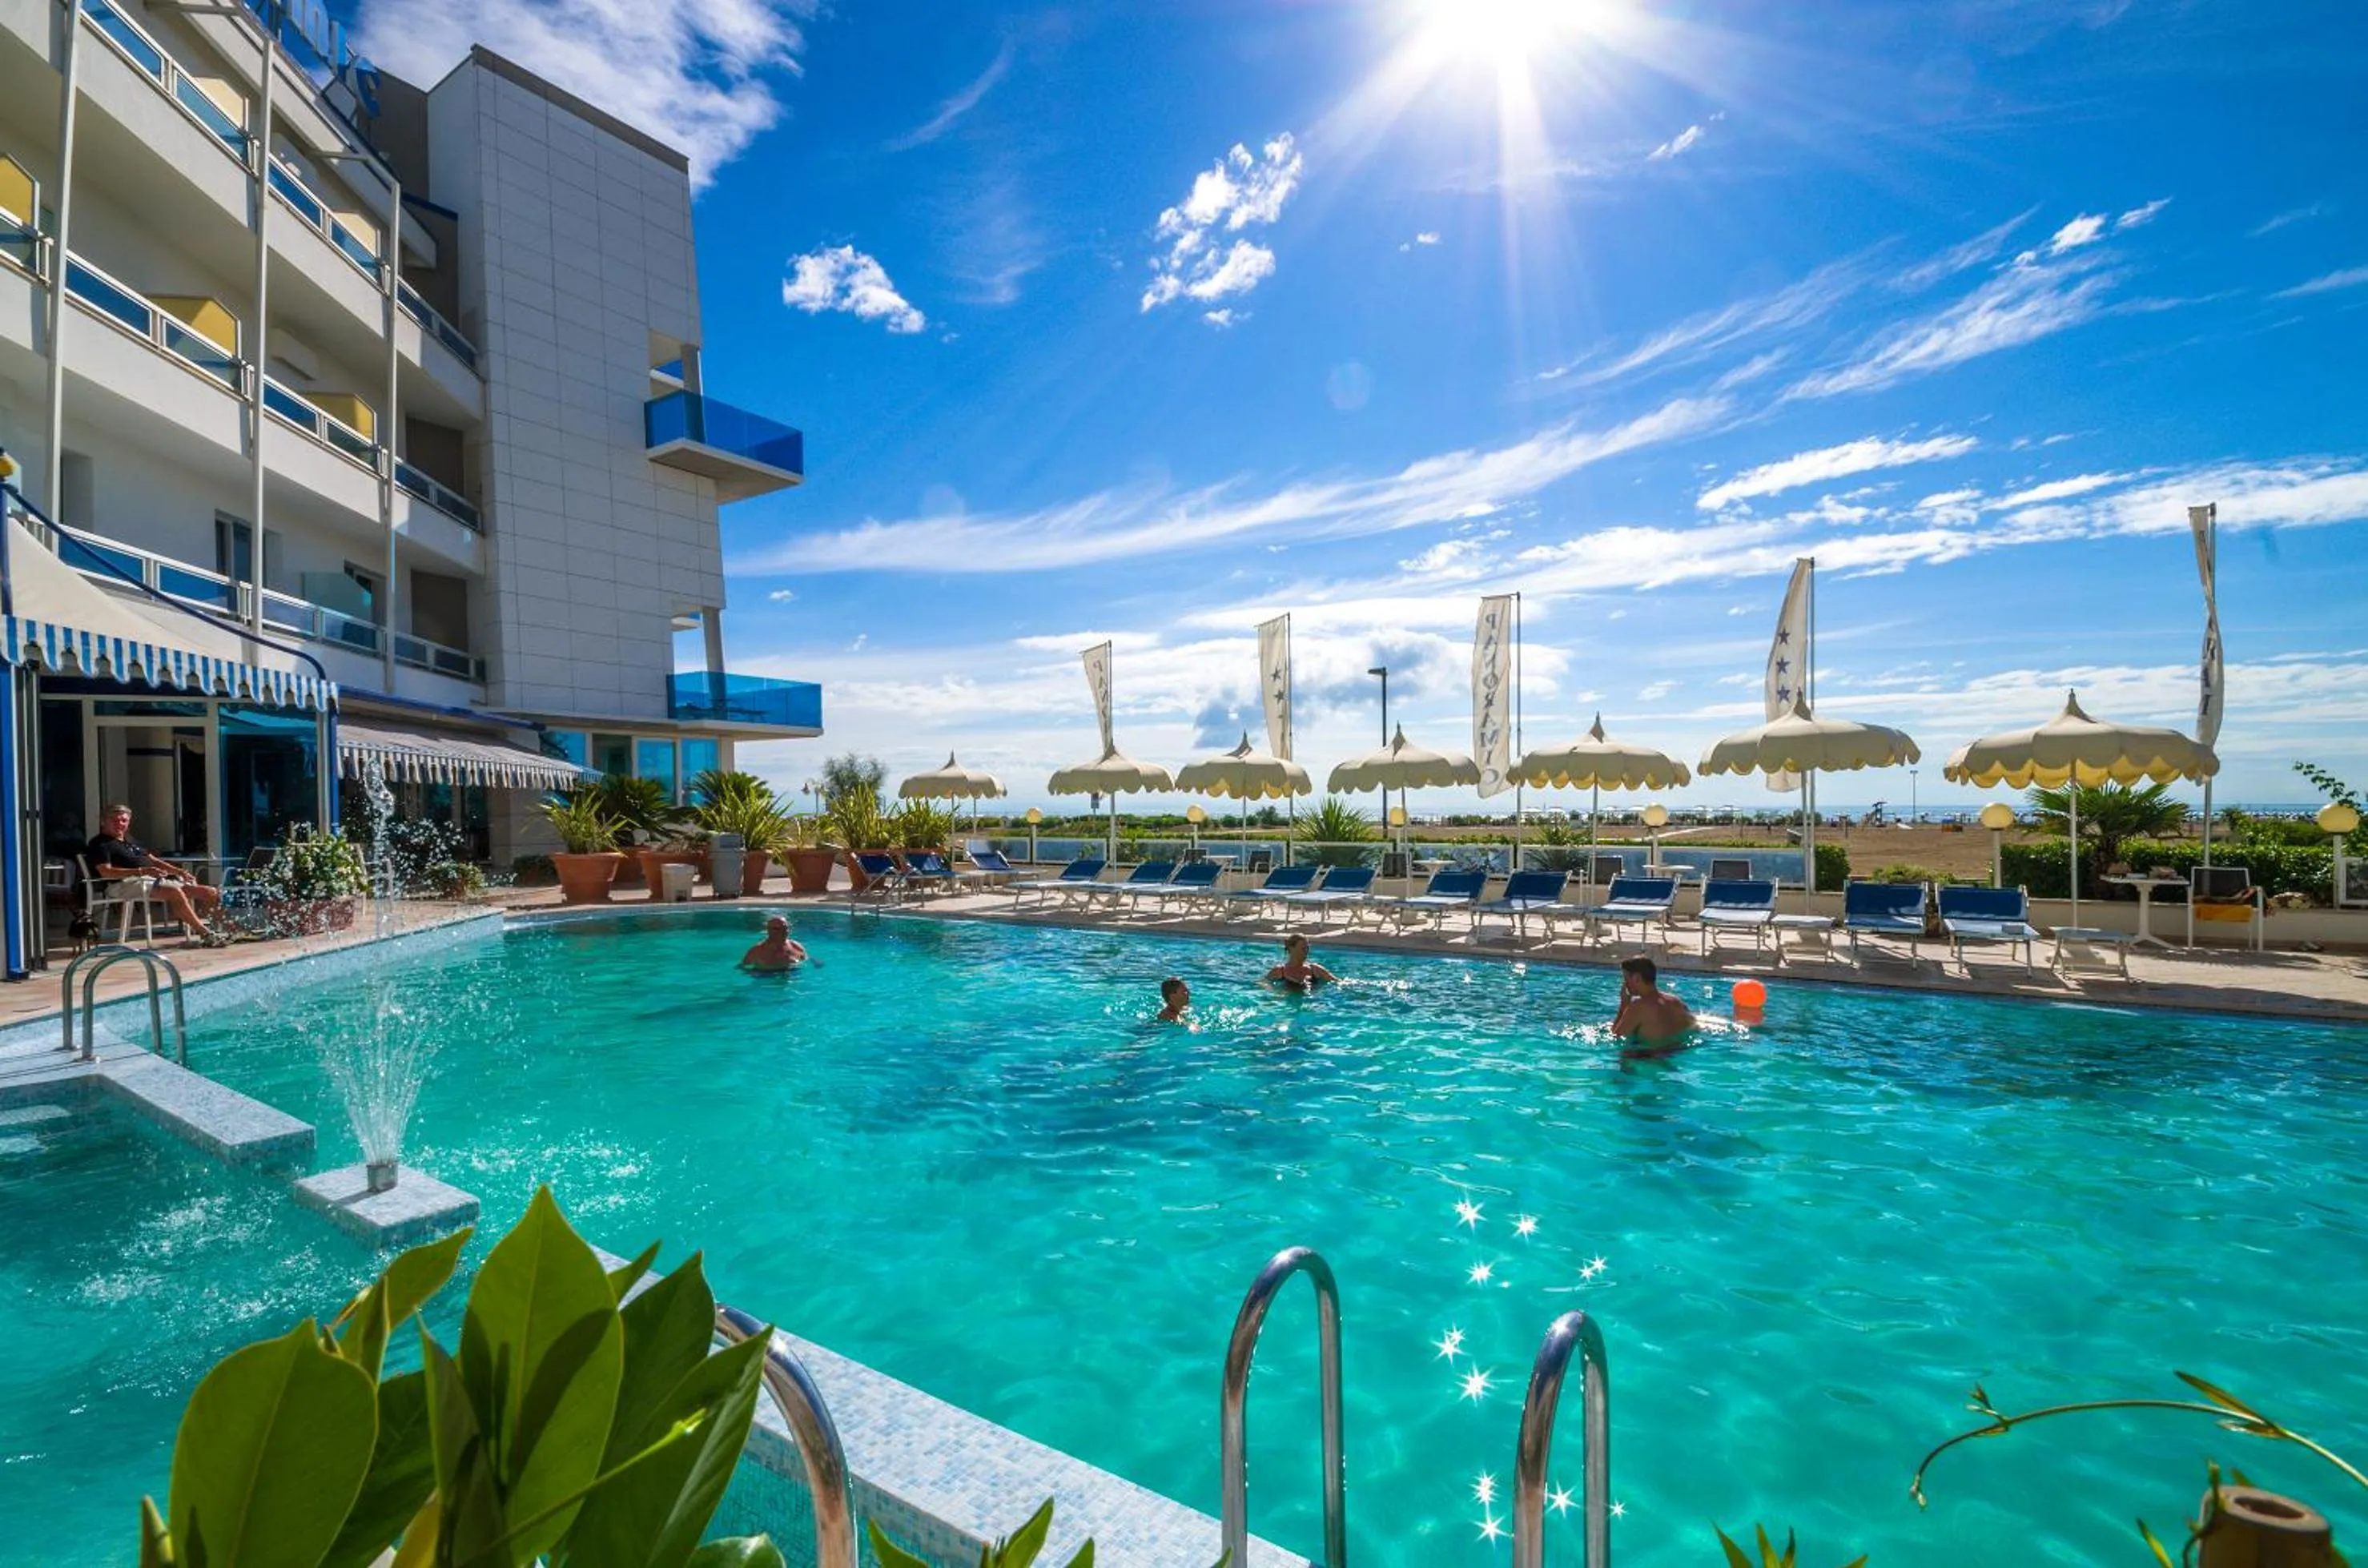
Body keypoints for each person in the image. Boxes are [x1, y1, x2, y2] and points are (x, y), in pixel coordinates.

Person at [84, 804, 226, 946]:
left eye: (124, 821)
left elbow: (154, 861)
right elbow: (106, 872)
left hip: (150, 880)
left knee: (210, 892)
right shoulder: (100, 844)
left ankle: (220, 931)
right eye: (114, 820)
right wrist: (142, 871)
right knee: (174, 892)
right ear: (103, 822)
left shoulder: (130, 842)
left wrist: (180, 872)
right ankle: (205, 933)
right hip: (122, 884)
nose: (120, 824)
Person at [1610, 955, 1695, 1047]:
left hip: (1648, 1057)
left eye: (1626, 978)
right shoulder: (1676, 1002)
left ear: (1637, 978)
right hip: (1676, 1054)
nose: (1625, 984)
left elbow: (1616, 1038)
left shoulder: (1639, 1006)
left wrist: (1624, 1005)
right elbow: (1694, 1029)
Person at [1264, 933, 1337, 991]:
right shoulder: (1280, 971)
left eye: (1307, 948)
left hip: (1311, 1004)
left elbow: (1337, 982)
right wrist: (1275, 991)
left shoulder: (1315, 969)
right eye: (1303, 949)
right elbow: (1263, 983)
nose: (1306, 952)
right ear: (1291, 948)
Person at [739, 915, 807, 972]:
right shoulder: (757, 951)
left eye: (785, 928)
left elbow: (807, 961)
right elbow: (742, 968)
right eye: (777, 929)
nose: (783, 931)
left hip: (792, 979)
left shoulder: (796, 946)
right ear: (768, 930)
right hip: (766, 981)